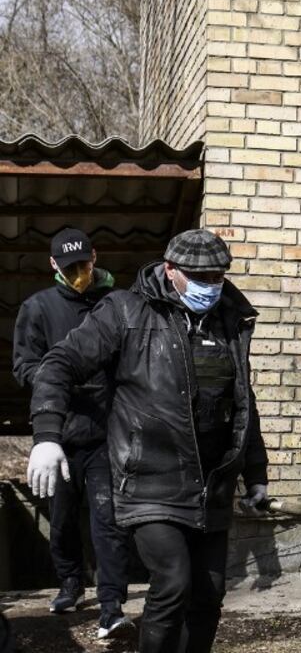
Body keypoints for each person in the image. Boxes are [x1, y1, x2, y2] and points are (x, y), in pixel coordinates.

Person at [27, 229, 269, 653]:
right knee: (173, 582)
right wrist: (47, 436)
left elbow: (242, 401)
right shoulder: (125, 311)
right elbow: (59, 364)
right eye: (199, 277)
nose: (211, 285)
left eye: (218, 276)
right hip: (149, 479)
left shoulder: (230, 320)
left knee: (209, 593)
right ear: (170, 269)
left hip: (211, 486)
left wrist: (256, 473)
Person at [15, 228, 132, 638]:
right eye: (69, 268)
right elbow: (24, 366)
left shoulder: (115, 304)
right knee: (62, 519)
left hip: (106, 432)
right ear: (53, 265)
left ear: (94, 257)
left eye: (83, 264)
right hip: (61, 434)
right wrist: (60, 380)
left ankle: (112, 604)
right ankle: (70, 583)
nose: (79, 272)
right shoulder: (38, 308)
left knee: (108, 520)